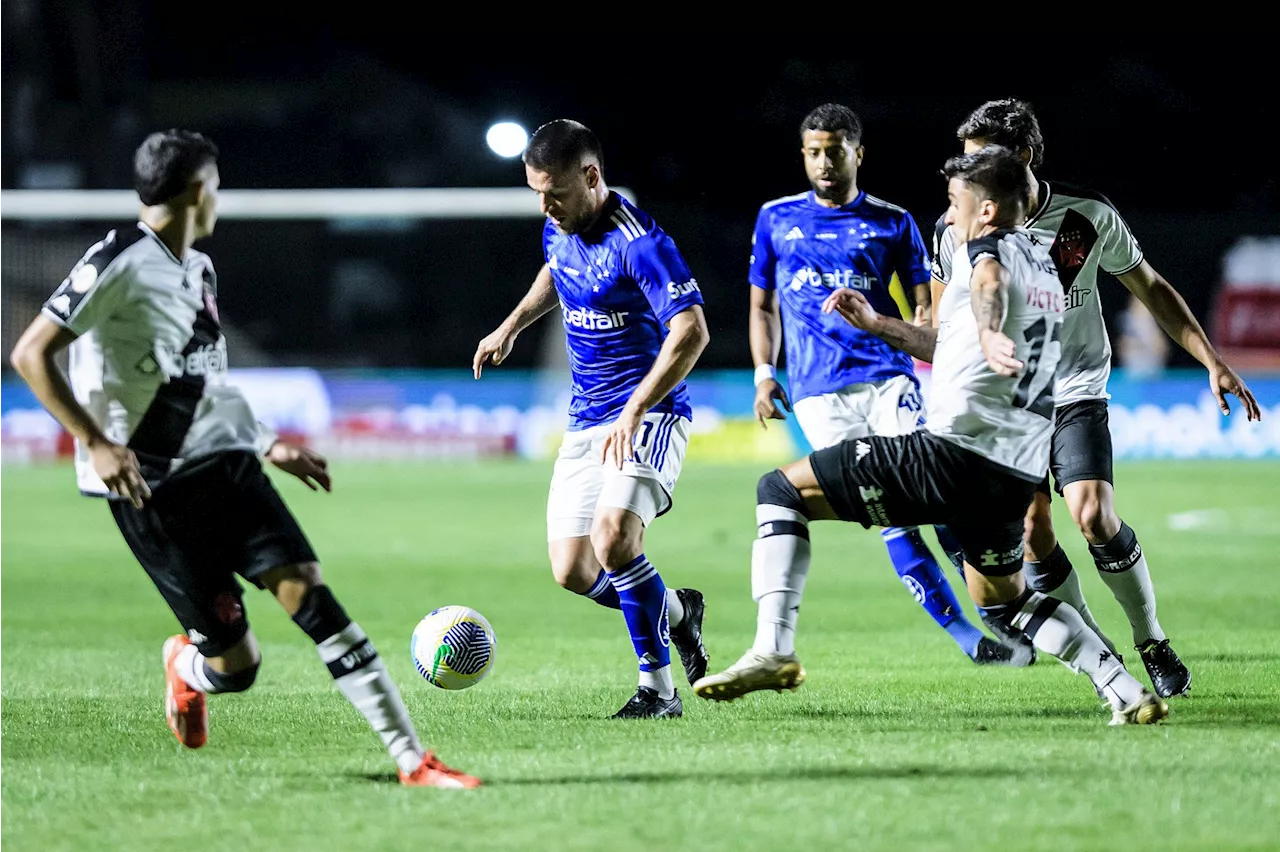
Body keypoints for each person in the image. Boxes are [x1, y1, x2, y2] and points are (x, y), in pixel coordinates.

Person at [8, 129, 479, 788]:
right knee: (238, 667)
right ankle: (188, 667)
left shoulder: (199, 269)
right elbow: (31, 353)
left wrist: (267, 442)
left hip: (226, 464)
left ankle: (413, 761)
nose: (220, 196)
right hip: (151, 488)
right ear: (200, 190)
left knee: (314, 599)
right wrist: (95, 441)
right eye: (218, 184)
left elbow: (204, 381)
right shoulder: (116, 260)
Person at [694, 146, 1168, 726]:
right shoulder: (1047, 268)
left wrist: (991, 333)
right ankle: (1123, 689)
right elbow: (948, 345)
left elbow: (988, 287)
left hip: (951, 454)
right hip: (1009, 474)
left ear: (988, 209)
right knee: (1006, 598)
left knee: (781, 490)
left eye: (955, 201)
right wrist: (878, 324)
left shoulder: (986, 253)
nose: (947, 214)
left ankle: (773, 648)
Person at [932, 100, 1263, 698]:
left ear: (1024, 158)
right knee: (1034, 534)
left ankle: (1151, 638)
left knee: (1093, 515)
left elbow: (1152, 287)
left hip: (1076, 385)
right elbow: (940, 326)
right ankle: (1096, 648)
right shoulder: (954, 227)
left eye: (981, 160)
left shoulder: (1085, 217)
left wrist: (1211, 359)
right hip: (1008, 402)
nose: (967, 173)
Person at [745, 102, 1029, 673]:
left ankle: (996, 602)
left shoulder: (892, 221)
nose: (825, 163)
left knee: (938, 489)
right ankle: (969, 639)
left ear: (858, 153)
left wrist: (931, 343)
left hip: (887, 380)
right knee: (892, 514)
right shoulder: (775, 218)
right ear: (804, 155)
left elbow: (926, 304)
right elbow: (761, 305)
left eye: (835, 151)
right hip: (818, 392)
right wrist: (763, 373)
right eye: (814, 153)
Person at [473, 119, 711, 719]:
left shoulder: (642, 243)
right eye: (536, 193)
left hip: (649, 415)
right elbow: (557, 271)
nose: (545, 206)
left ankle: (657, 692)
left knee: (613, 540)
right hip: (586, 422)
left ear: (592, 177)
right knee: (572, 569)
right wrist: (510, 325)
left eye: (554, 192)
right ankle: (678, 613)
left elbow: (692, 331)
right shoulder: (559, 224)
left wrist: (636, 407)